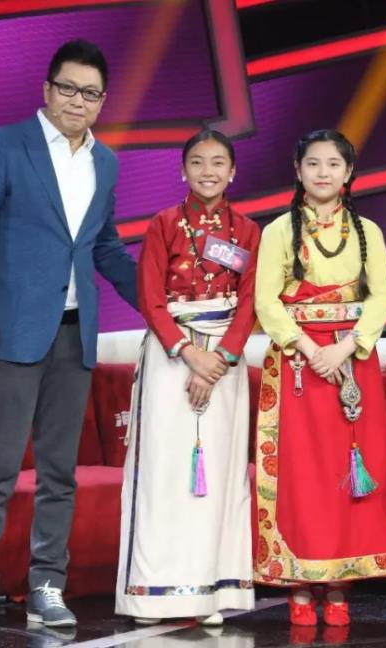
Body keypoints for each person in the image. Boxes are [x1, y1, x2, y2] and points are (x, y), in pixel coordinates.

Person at [0, 39, 138, 627]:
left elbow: (104, 247)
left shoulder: (105, 163)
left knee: (60, 472)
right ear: (47, 89)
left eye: (90, 93)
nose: (77, 101)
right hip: (10, 332)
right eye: (68, 88)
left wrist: (162, 306)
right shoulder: (4, 146)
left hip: (74, 335)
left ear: (102, 101)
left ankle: (47, 584)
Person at [253, 129, 386, 627]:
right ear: (297, 170)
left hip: (351, 361)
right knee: (304, 473)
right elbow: (266, 301)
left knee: (350, 473)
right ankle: (300, 580)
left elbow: (381, 298)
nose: (323, 173)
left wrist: (344, 348)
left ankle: (341, 580)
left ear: (349, 172)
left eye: (334, 164)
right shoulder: (278, 231)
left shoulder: (369, 232)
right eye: (313, 163)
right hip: (298, 364)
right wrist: (310, 349)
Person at [115, 129, 259, 626]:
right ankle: (155, 594)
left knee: (217, 475)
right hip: (171, 355)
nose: (208, 171)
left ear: (232, 171)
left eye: (218, 162)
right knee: (164, 473)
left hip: (224, 362)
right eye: (197, 162)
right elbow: (151, 298)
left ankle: (210, 594)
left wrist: (219, 359)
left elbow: (250, 302)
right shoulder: (162, 224)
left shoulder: (248, 231)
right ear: (182, 170)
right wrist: (188, 353)